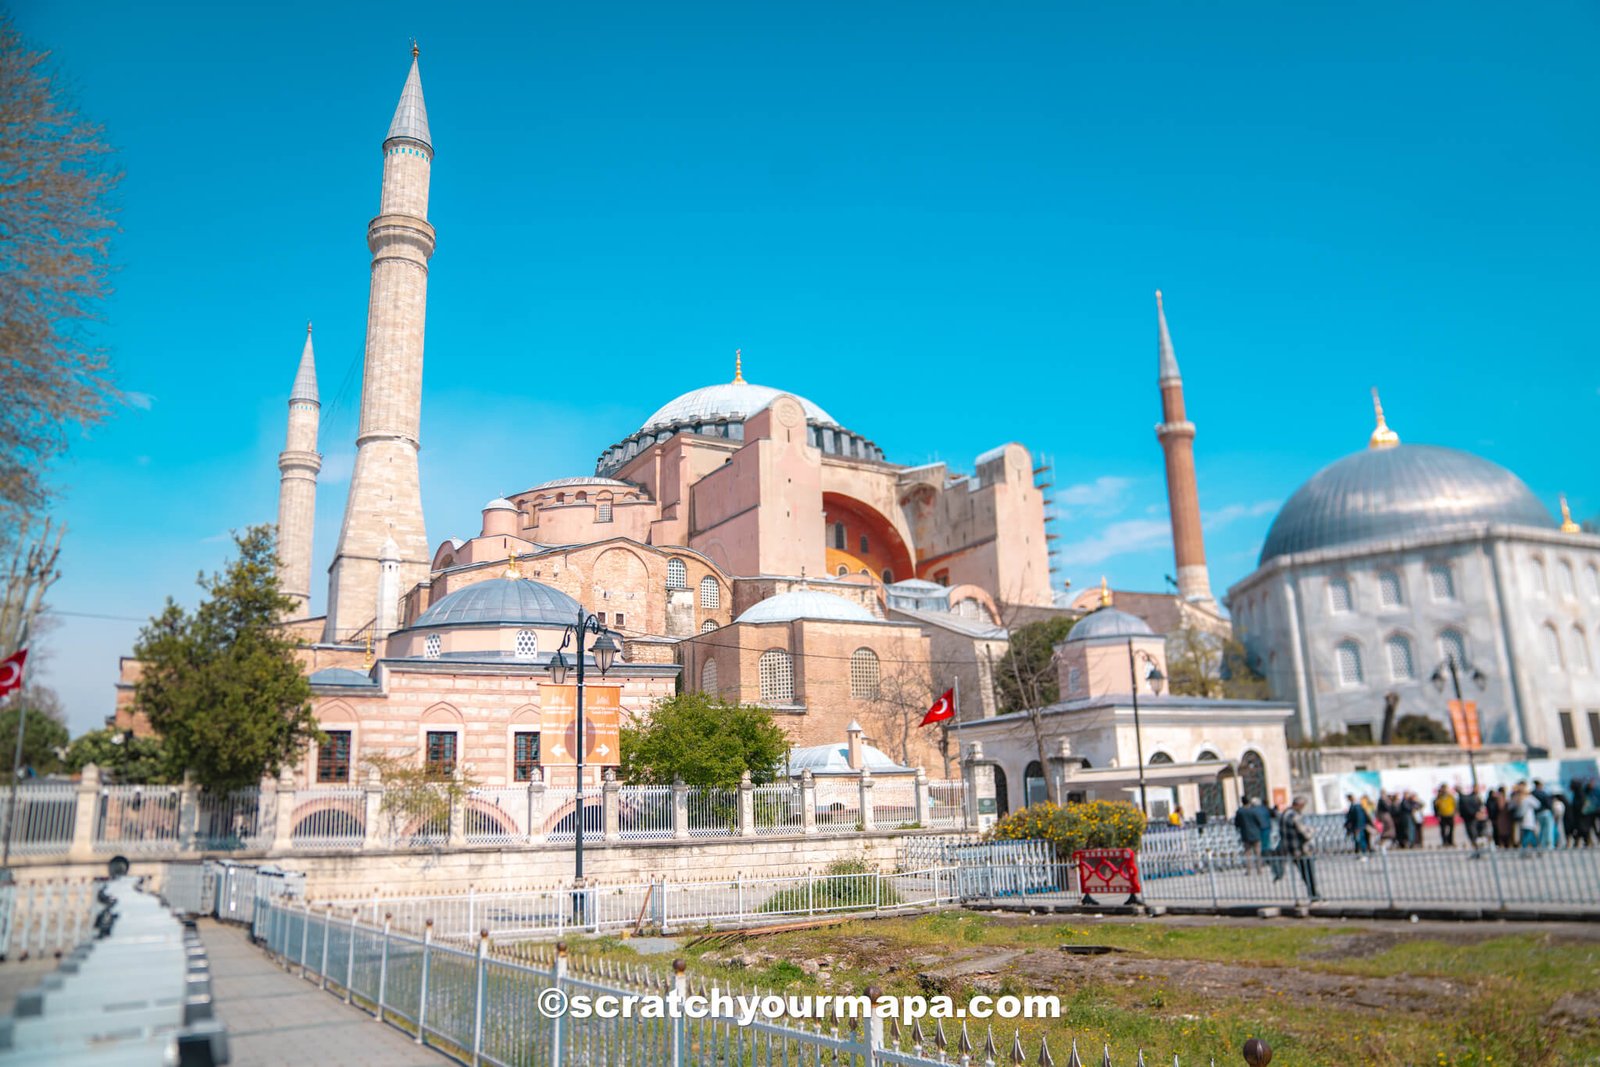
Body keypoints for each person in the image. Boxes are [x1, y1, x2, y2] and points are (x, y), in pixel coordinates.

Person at [1279, 796, 1321, 901]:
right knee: (1309, 873)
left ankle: (1312, 894)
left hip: (1290, 848)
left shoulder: (1284, 814)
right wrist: (1312, 831)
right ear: (1299, 805)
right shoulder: (1295, 816)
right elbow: (1305, 834)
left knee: (1303, 873)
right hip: (1301, 849)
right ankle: (1314, 895)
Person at [1235, 798, 1265, 873]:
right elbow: (1259, 821)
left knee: (1247, 853)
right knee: (1257, 852)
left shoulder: (1240, 812)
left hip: (1245, 834)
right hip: (1255, 833)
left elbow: (1237, 823)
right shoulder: (1253, 811)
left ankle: (1248, 870)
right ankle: (1259, 869)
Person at [1343, 792, 1373, 857]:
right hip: (1359, 826)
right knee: (1359, 840)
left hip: (1358, 827)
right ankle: (1361, 853)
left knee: (1360, 840)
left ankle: (1364, 853)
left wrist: (1358, 827)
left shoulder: (1356, 806)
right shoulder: (1357, 805)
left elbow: (1358, 817)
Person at [1458, 784, 1486, 850]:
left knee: (1478, 834)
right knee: (1473, 834)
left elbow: (1481, 806)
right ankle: (1476, 849)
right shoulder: (1468, 798)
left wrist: (1480, 813)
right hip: (1470, 818)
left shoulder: (1477, 797)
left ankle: (1478, 849)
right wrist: (1475, 814)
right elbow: (1467, 808)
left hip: (1477, 819)